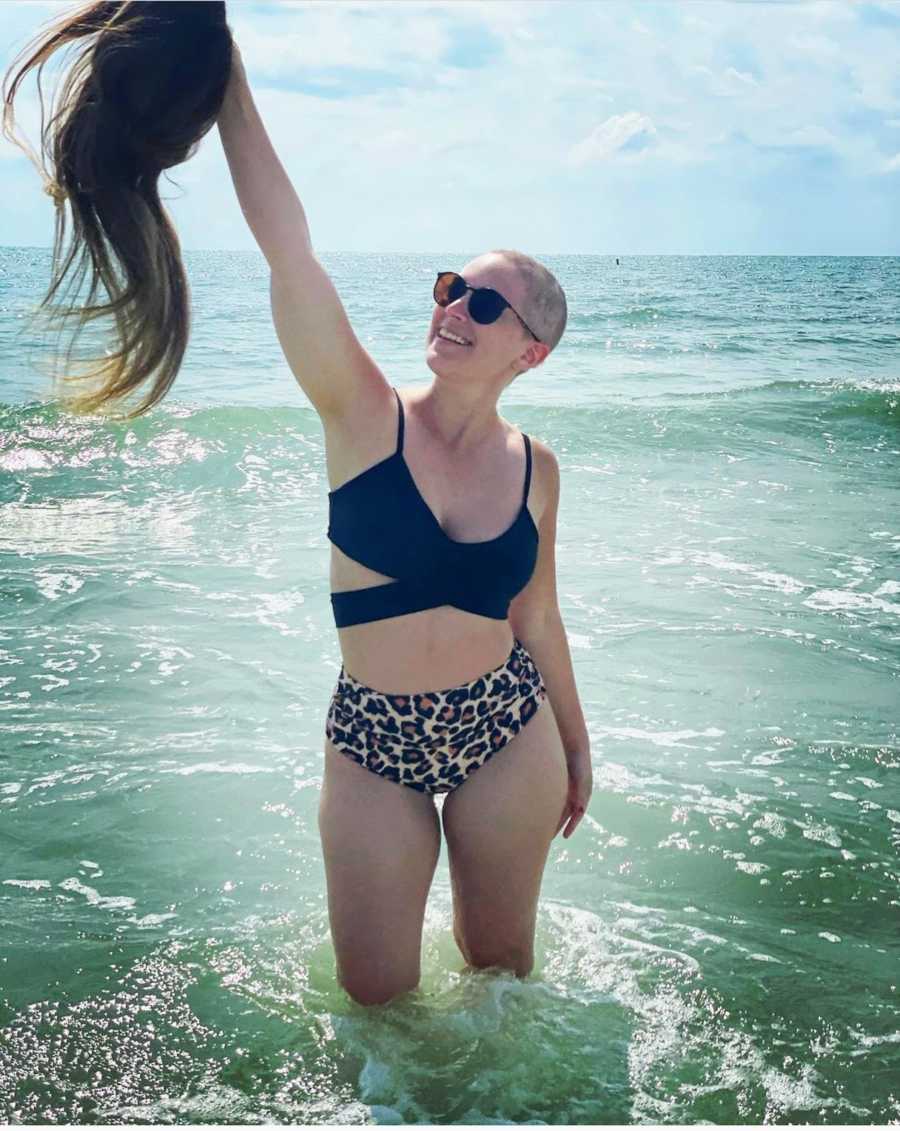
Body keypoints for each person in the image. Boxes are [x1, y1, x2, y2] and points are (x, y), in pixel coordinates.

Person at [3, 2, 593, 1009]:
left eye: (486, 305)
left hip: (506, 730)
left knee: (502, 977)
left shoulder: (539, 466)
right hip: (372, 736)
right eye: (451, 288)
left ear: (530, 349)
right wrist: (226, 75)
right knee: (376, 998)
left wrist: (576, 745)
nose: (454, 310)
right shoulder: (362, 415)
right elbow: (290, 250)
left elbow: (536, 615)